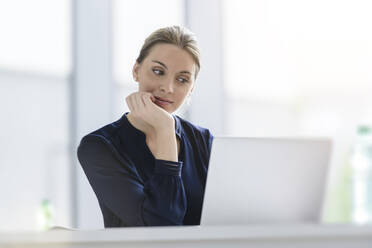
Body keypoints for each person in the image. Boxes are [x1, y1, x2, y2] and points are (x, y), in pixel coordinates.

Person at [77, 26, 214, 227]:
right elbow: (160, 227)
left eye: (182, 79)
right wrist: (165, 131)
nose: (167, 88)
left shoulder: (203, 141)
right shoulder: (99, 147)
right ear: (136, 71)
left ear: (191, 88)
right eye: (158, 72)